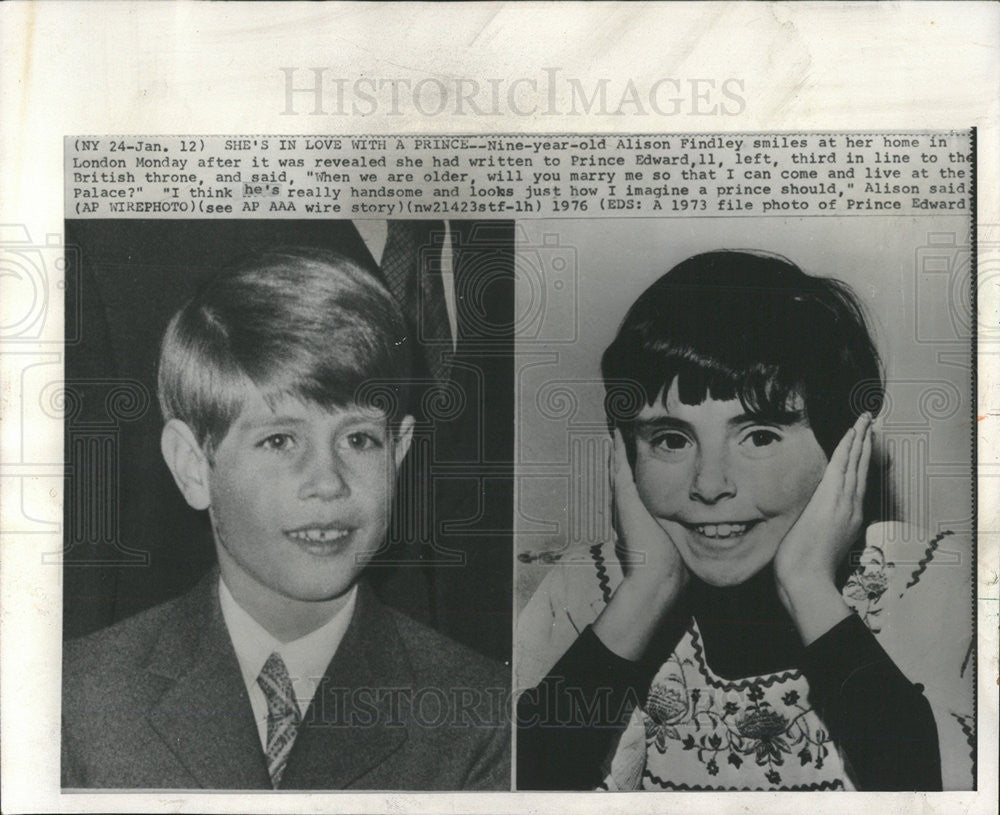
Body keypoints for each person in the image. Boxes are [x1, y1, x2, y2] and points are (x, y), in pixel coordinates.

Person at [516, 250, 975, 791]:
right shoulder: (583, 593)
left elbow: (929, 792)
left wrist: (805, 581)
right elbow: (518, 788)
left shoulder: (937, 587)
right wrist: (648, 586)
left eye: (759, 435)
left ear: (845, 447)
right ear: (623, 455)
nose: (710, 485)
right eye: (670, 439)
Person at [62, 247, 509, 790]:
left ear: (398, 454)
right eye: (279, 440)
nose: (328, 481)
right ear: (193, 467)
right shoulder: (77, 701)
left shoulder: (480, 716)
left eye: (359, 439)